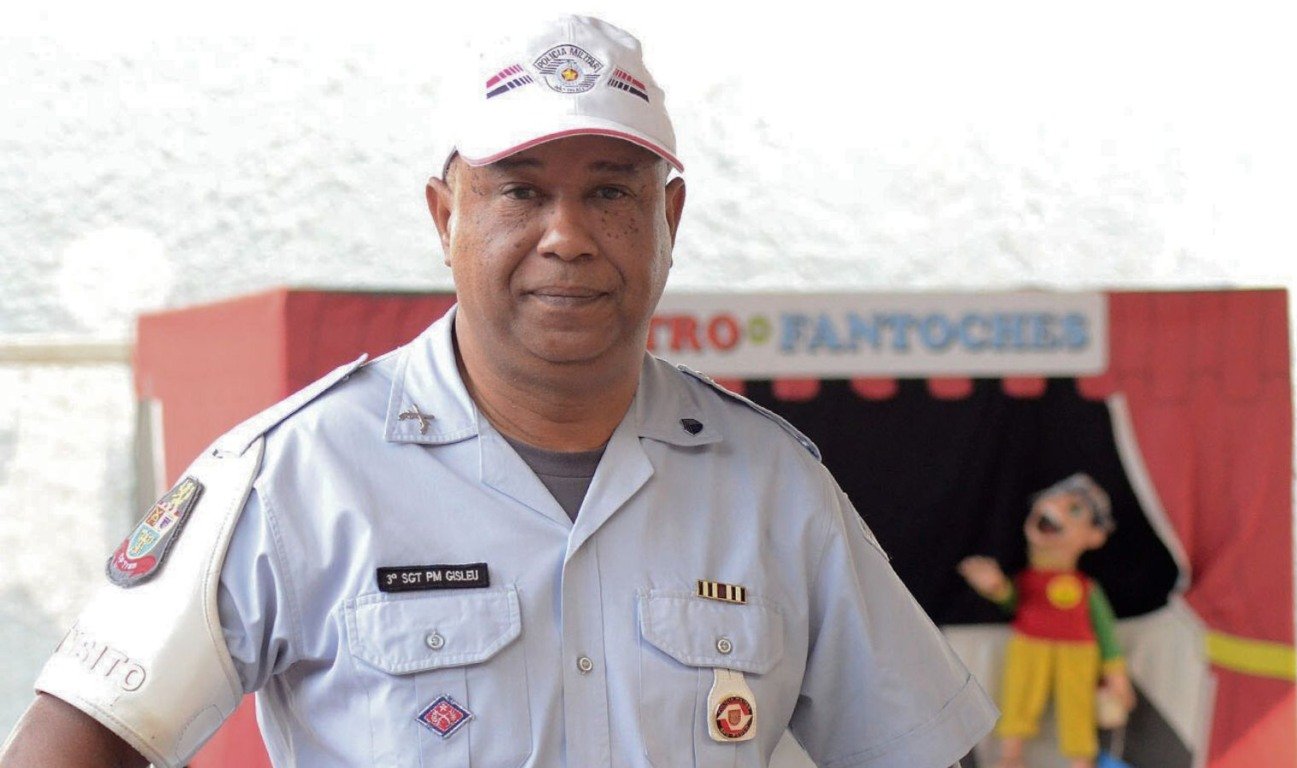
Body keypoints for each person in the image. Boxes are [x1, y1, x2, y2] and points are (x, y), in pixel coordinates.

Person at [2, 15, 996, 768]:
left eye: (610, 191)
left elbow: (928, 747)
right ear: (446, 217)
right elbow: (74, 741)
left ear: (670, 218)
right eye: (521, 191)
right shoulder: (298, 476)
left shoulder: (771, 487)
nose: (567, 235)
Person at [958, 473, 1135, 768]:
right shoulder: (1028, 580)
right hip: (1030, 645)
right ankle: (1010, 757)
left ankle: (1082, 761)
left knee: (1077, 710)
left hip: (1078, 654)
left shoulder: (1087, 588)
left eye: (1075, 509)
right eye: (1051, 501)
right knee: (1019, 699)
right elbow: (1014, 600)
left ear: (1095, 536)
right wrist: (996, 587)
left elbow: (1105, 631)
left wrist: (1116, 673)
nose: (1055, 508)